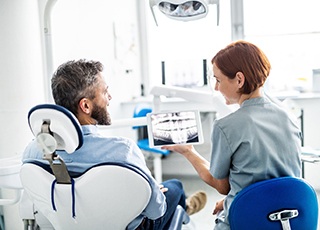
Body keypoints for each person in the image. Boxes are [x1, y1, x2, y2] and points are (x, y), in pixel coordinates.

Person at [22, 59, 207, 230]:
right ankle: (185, 207)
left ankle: (184, 206)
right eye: (104, 91)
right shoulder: (123, 151)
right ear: (85, 106)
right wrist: (151, 192)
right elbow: (155, 211)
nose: (110, 97)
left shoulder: (33, 152)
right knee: (174, 188)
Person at [162, 40, 302, 229]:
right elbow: (274, 180)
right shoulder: (289, 117)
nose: (216, 88)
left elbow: (222, 186)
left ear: (239, 79)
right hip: (287, 220)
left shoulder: (226, 126)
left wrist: (188, 152)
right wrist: (233, 201)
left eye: (218, 80)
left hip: (248, 221)